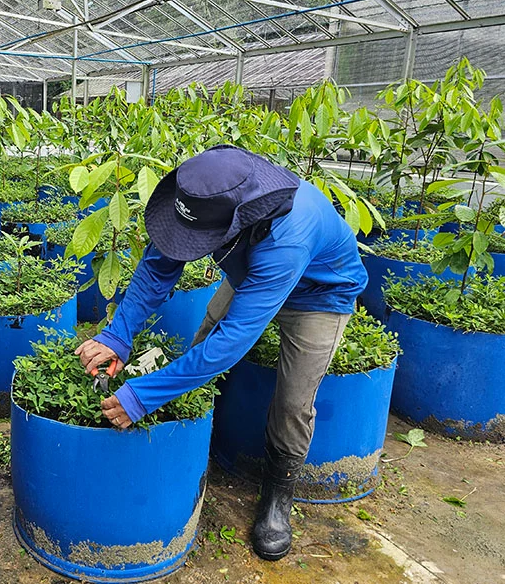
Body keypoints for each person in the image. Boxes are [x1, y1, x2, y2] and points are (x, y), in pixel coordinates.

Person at [75, 144, 368, 561]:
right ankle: (199, 439)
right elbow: (160, 264)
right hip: (251, 273)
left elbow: (231, 342)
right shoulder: (212, 193)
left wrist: (142, 394)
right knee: (201, 343)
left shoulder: (286, 235)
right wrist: (117, 336)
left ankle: (277, 496)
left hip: (318, 296)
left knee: (292, 401)